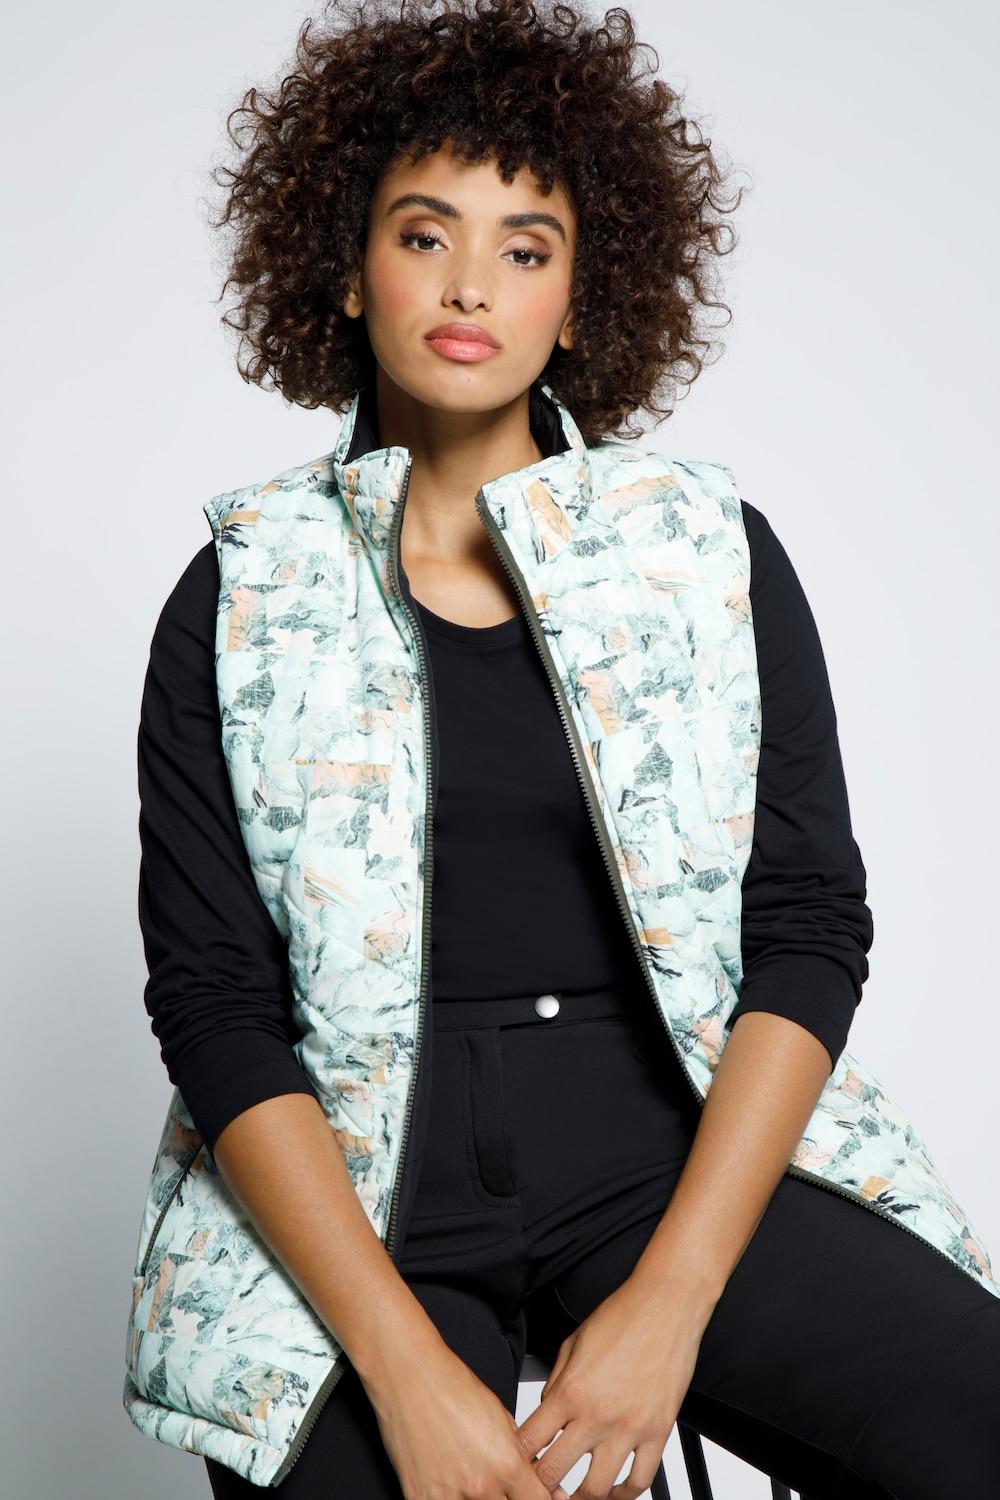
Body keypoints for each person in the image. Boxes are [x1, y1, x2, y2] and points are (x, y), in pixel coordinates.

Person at [123, 3, 1000, 1497]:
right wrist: (407, 1374)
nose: (472, 283)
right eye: (424, 235)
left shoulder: (706, 552)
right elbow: (217, 1008)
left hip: (663, 1142)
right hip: (362, 1182)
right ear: (345, 266)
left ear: (582, 299)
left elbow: (806, 927)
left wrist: (670, 1307)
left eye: (526, 249)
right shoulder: (241, 592)